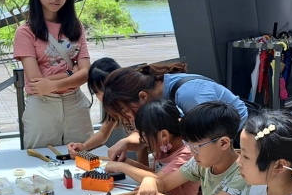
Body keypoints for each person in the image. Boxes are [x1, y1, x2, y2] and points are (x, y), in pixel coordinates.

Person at [13, 0, 92, 149]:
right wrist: (71, 72)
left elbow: (87, 73)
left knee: (84, 161)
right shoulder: (25, 32)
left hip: (75, 105)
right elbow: (37, 83)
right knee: (40, 164)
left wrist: (56, 81)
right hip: (43, 106)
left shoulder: (75, 27)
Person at [101, 62, 250, 161]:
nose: (132, 120)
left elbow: (208, 144)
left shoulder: (189, 95)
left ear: (143, 96)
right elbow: (149, 137)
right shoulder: (159, 90)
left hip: (239, 139)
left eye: (128, 113)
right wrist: (125, 143)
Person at [137, 102, 248, 195]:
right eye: (188, 145)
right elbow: (164, 184)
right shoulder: (200, 163)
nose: (191, 152)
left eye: (195, 146)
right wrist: (150, 181)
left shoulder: (243, 174)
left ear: (223, 143)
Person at [104, 99, 200, 195]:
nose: (143, 140)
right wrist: (129, 163)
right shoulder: (165, 147)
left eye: (144, 135)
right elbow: (156, 173)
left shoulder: (186, 154)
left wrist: (121, 166)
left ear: (164, 135)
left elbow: (158, 180)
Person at [67, 57, 122, 156]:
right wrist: (83, 147)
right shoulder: (115, 107)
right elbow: (103, 134)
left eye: (104, 91)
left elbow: (141, 140)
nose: (101, 97)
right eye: (97, 93)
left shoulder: (134, 101)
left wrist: (124, 143)